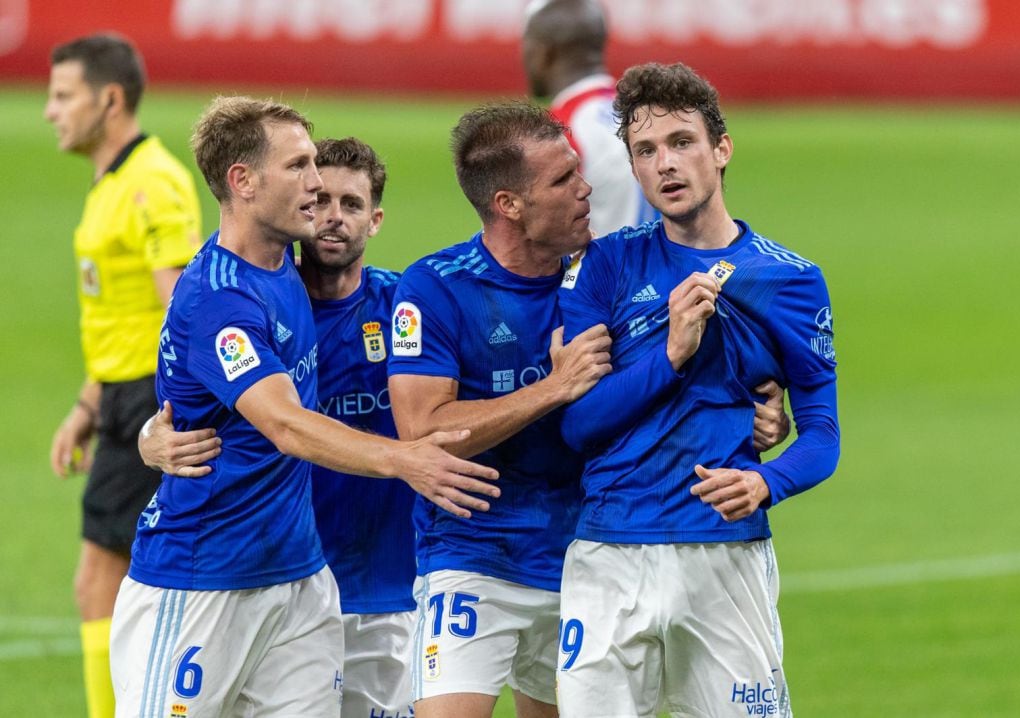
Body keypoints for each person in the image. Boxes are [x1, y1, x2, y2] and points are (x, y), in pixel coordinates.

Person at [109, 96, 499, 718]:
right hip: (202, 580)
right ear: (243, 181)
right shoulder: (219, 299)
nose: (317, 187)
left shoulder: (286, 269)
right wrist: (407, 460)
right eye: (299, 167)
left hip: (300, 582)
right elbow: (286, 423)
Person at [555, 63, 841, 717]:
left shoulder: (791, 281)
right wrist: (673, 354)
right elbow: (577, 426)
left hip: (725, 557)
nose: (666, 164)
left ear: (721, 148)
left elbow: (822, 431)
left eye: (682, 142)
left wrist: (768, 483)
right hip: (610, 556)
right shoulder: (604, 265)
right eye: (646, 151)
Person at [139, 137, 419, 717]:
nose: (332, 217)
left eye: (352, 203)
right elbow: (190, 398)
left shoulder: (405, 309)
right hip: (268, 577)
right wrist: (150, 437)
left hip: (379, 587)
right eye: (321, 199)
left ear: (376, 219)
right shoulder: (259, 298)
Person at [386, 102, 612, 718]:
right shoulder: (435, 287)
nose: (586, 189)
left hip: (589, 558)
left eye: (579, 172)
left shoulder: (605, 275)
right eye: (563, 180)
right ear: (509, 203)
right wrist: (552, 387)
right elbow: (424, 431)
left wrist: (755, 412)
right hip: (473, 557)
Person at [43, 33, 202, 718]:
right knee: (118, 582)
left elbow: (183, 304)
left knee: (101, 582)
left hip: (148, 398)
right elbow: (124, 310)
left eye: (62, 95)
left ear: (109, 99)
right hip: (120, 393)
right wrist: (87, 401)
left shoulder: (152, 183)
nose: (50, 110)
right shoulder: (113, 181)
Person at [521, 0, 659, 236]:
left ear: (544, 52)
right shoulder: (646, 113)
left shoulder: (558, 129)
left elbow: (535, 242)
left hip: (604, 271)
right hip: (671, 268)